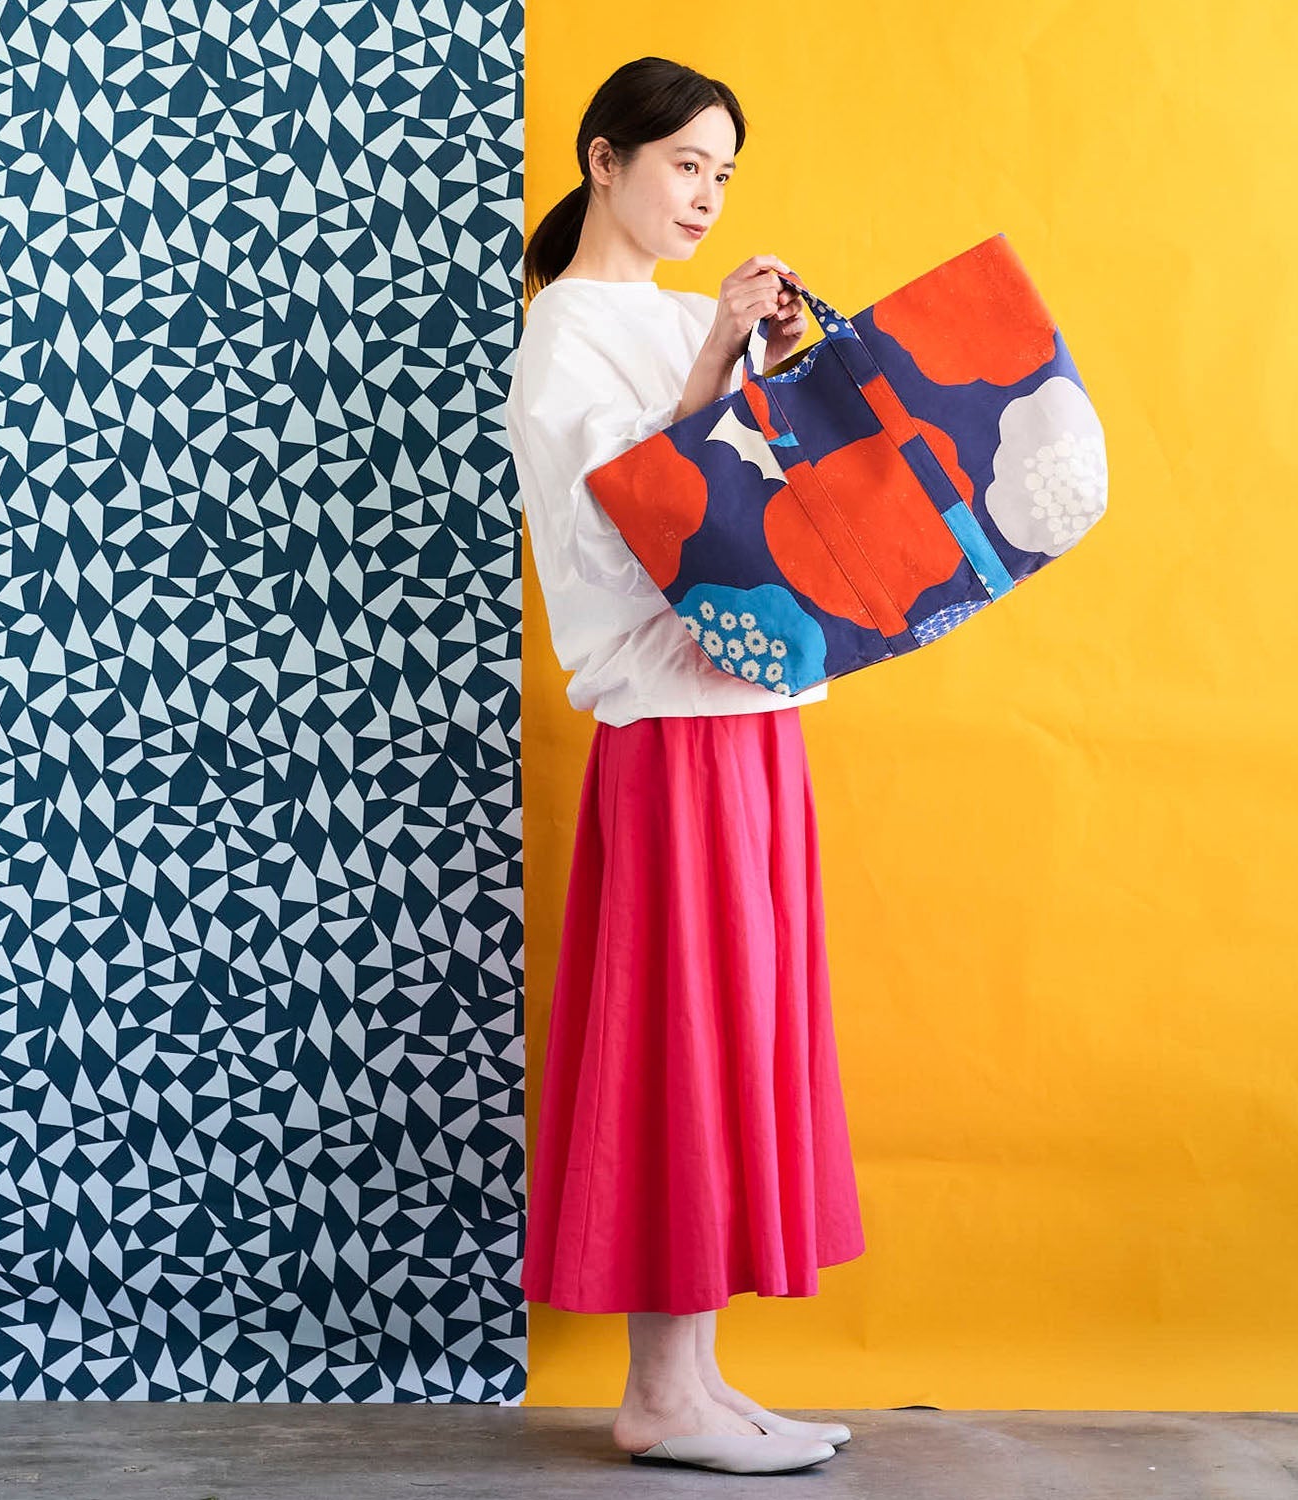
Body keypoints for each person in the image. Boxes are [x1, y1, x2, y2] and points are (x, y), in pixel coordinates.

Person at [503, 56, 866, 1477]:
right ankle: (658, 1396)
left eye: (723, 172)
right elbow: (641, 519)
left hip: (747, 707)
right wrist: (719, 359)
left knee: (737, 1032)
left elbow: (762, 497)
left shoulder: (666, 318)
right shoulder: (565, 335)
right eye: (683, 164)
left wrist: (765, 363)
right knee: (683, 1039)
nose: (706, 195)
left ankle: (700, 1382)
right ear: (604, 160)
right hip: (669, 728)